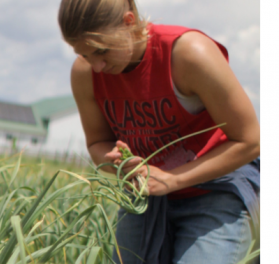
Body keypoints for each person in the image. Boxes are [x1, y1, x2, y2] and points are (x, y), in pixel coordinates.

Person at [57, 0, 260, 263]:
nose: (97, 66)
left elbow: (250, 141)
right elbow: (97, 142)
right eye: (84, 54)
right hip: (147, 198)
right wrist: (120, 166)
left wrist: (172, 180)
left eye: (102, 51)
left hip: (217, 191)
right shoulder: (86, 74)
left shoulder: (188, 54)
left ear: (129, 22)